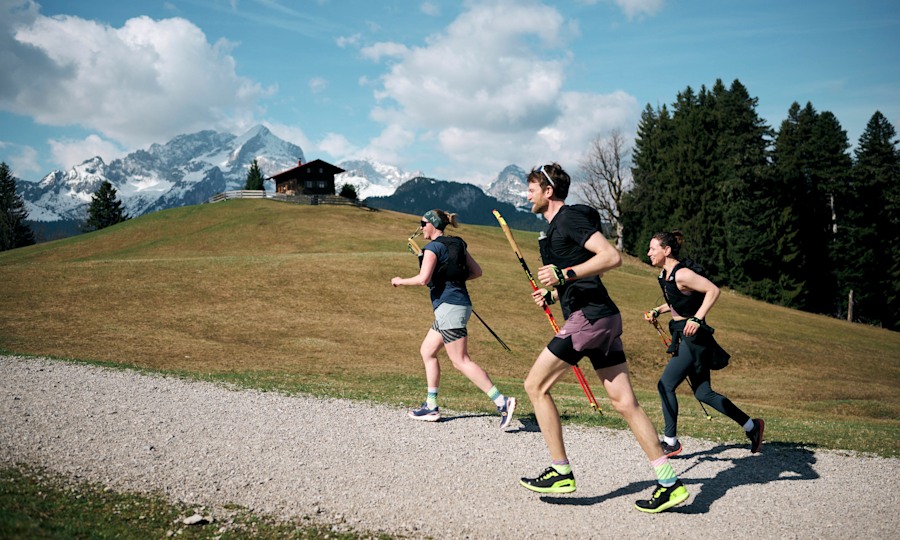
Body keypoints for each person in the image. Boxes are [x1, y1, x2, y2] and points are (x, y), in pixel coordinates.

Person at [519, 163, 689, 513]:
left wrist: (564, 273)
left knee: (535, 386)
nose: (528, 195)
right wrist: (555, 291)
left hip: (590, 318)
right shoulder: (555, 229)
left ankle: (560, 471)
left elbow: (612, 257)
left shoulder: (568, 219)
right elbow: (583, 273)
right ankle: (669, 483)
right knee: (625, 403)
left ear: (549, 191)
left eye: (532, 189)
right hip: (603, 317)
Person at [391, 209, 517, 430]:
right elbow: (477, 272)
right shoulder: (457, 244)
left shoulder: (432, 248)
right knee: (427, 351)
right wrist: (453, 278)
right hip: (457, 306)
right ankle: (431, 406)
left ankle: (502, 402)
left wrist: (400, 281)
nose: (420, 227)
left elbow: (423, 279)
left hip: (449, 308)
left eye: (423, 223)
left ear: (432, 224)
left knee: (460, 361)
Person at [644, 231, 764, 456]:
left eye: (652, 248)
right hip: (683, 333)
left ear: (667, 250)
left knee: (665, 385)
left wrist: (697, 318)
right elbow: (677, 301)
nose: (648, 252)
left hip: (693, 338)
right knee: (703, 393)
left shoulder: (682, 274)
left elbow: (713, 290)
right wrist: (657, 310)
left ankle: (670, 442)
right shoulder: (665, 275)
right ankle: (752, 426)